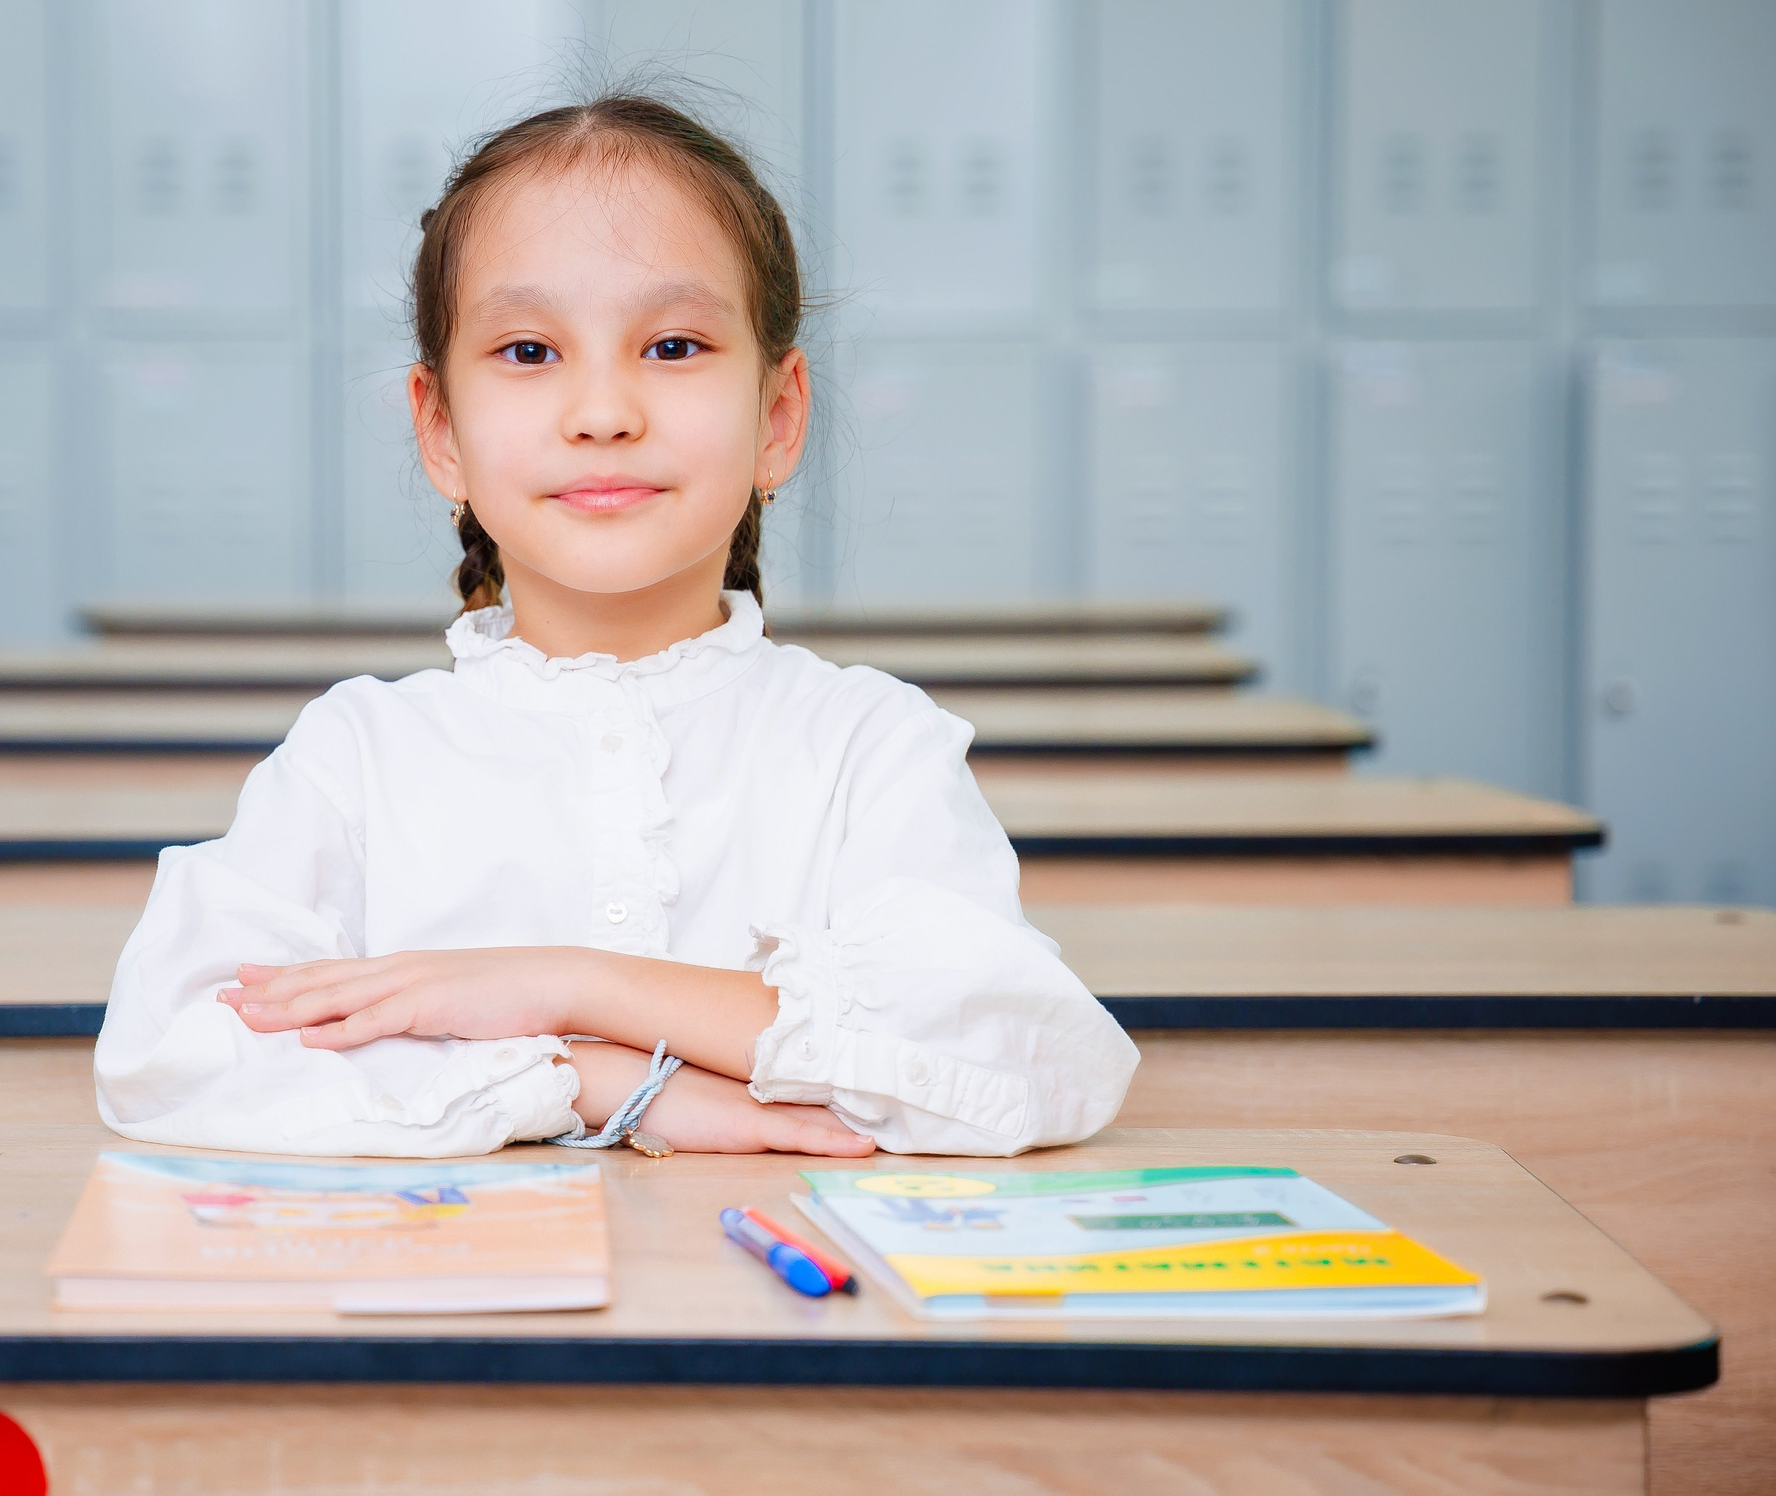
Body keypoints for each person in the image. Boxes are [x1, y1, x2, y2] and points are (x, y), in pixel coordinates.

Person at [93, 93, 1138, 1158]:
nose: (602, 412)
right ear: (439, 430)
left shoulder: (868, 745)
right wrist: (586, 1076)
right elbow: (172, 1055)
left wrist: (564, 981)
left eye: (674, 345)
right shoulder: (357, 759)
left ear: (777, 418)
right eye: (529, 352)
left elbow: (1022, 1062)